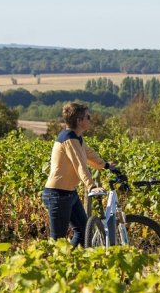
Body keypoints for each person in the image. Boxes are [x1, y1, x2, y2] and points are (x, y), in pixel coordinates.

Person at [42, 102, 114, 246]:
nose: (90, 119)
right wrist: (91, 186)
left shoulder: (77, 138)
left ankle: (69, 263)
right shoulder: (68, 138)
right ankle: (50, 267)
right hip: (58, 195)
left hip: (69, 193)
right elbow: (79, 164)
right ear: (79, 121)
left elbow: (89, 154)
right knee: (58, 243)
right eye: (88, 117)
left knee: (83, 233)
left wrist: (106, 166)